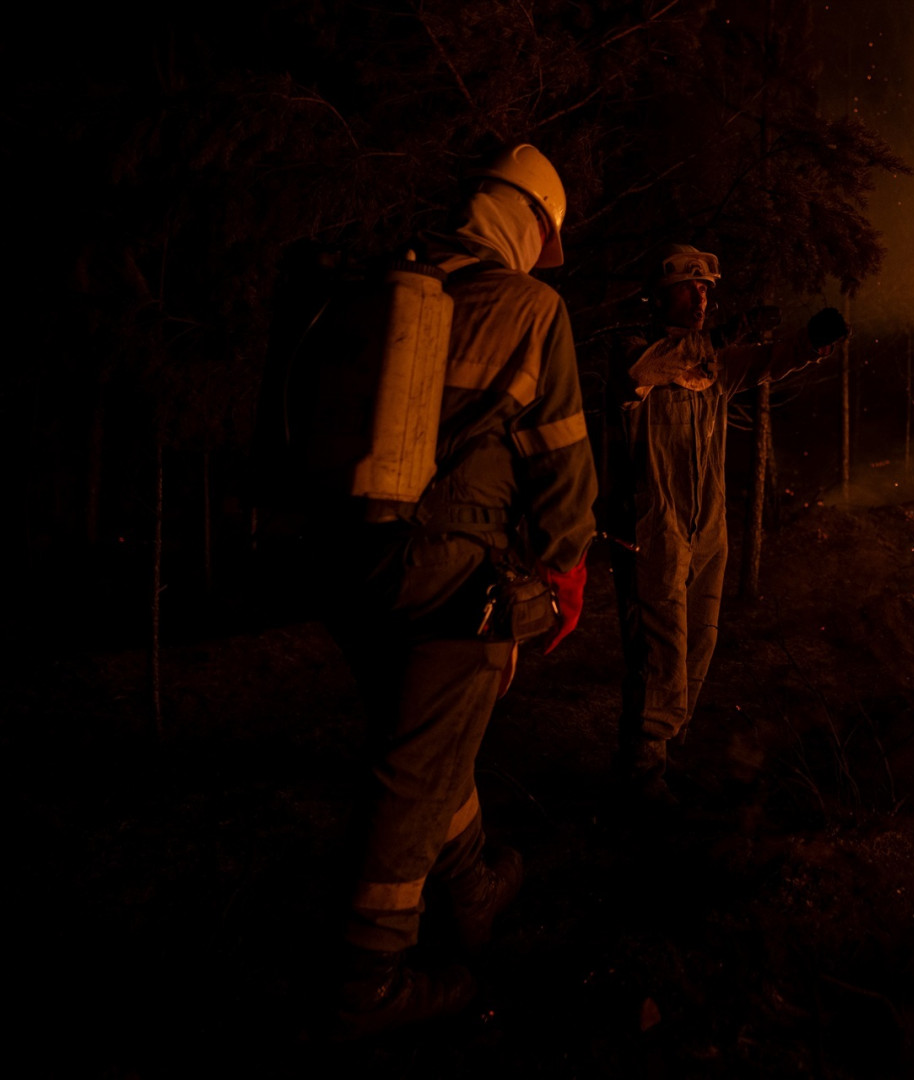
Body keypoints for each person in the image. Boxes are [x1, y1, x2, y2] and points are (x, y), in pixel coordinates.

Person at [326, 143, 597, 1035]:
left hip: (349, 562)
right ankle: (370, 983)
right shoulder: (529, 307)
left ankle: (474, 888)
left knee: (429, 741)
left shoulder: (386, 287)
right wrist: (564, 567)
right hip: (453, 580)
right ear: (528, 222)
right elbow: (561, 468)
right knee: (411, 776)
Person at [601, 245, 848, 805]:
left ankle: (660, 756)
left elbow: (764, 360)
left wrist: (809, 343)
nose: (702, 298)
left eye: (707, 288)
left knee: (698, 644)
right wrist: (717, 340)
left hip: (707, 526)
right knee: (659, 650)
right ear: (662, 294)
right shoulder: (631, 351)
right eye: (692, 287)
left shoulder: (712, 365)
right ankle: (641, 775)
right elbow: (647, 372)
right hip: (653, 522)